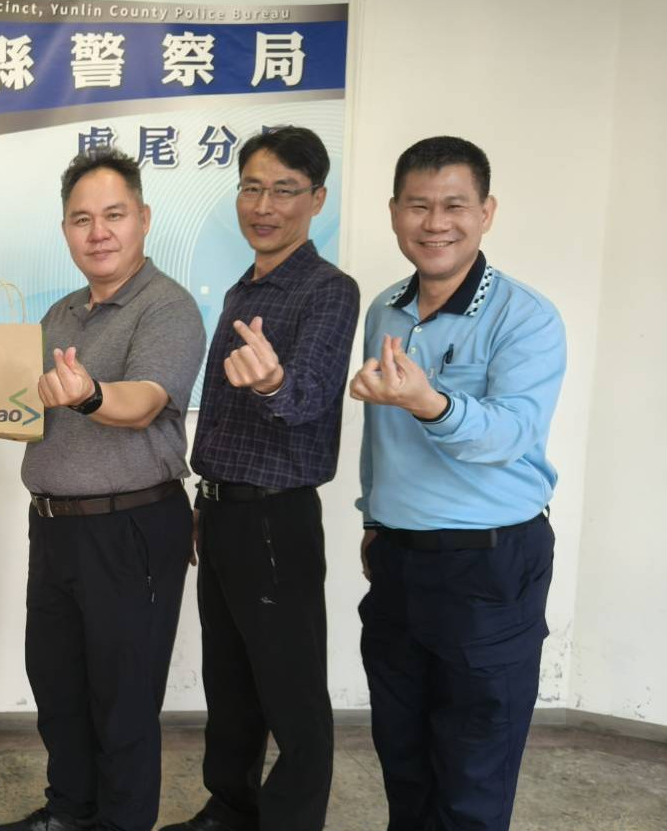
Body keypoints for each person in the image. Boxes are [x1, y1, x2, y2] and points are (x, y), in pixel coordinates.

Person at [351, 136, 565, 831]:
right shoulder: (384, 310)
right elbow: (376, 436)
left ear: (485, 213)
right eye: (418, 205)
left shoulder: (525, 317)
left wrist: (430, 403)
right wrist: (373, 516)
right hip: (398, 562)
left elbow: (510, 434)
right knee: (403, 755)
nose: (435, 223)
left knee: (474, 767)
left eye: (454, 205)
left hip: (488, 567)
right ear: (393, 212)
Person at [0, 149, 206, 831]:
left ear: (143, 218)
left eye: (114, 215)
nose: (98, 232)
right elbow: (26, 411)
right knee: (57, 684)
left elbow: (143, 401)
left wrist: (89, 394)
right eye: (81, 219)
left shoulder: (167, 307)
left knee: (123, 697)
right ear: (65, 229)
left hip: (130, 527)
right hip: (54, 526)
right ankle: (71, 811)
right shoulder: (59, 314)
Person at [163, 127, 359, 831]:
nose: (264, 205)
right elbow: (220, 419)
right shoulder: (240, 290)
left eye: (284, 190)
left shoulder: (328, 290)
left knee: (291, 689)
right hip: (222, 511)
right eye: (251, 187)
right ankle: (231, 807)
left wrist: (274, 381)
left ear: (317, 199)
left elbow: (307, 396)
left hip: (277, 517)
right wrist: (204, 498)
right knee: (230, 679)